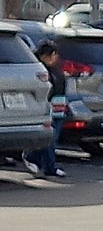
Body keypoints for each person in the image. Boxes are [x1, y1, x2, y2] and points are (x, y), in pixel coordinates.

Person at [22, 41, 67, 179]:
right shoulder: (40, 70)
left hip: (59, 109)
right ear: (43, 55)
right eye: (52, 55)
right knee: (49, 140)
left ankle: (37, 160)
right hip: (46, 110)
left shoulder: (55, 71)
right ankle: (48, 166)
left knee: (52, 139)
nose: (54, 58)